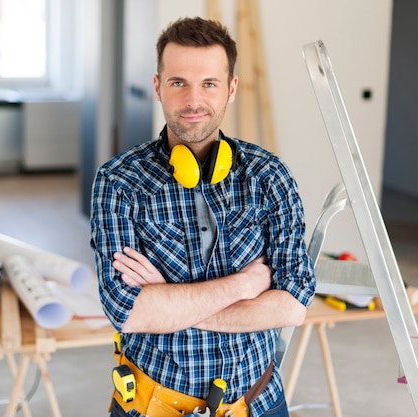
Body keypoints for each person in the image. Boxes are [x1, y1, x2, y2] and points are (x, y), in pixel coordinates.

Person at [90, 16, 315, 417]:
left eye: (209, 83)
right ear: (158, 86)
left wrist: (171, 302)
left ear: (231, 88)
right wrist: (245, 285)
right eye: (179, 83)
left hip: (257, 402)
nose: (194, 101)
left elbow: (293, 306)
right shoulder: (119, 181)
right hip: (153, 405)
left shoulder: (269, 176)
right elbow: (129, 311)